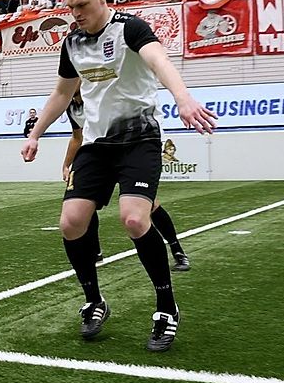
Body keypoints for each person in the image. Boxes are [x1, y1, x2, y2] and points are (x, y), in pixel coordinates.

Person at [21, 0, 216, 352]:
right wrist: (35, 134)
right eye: (70, 7)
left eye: (82, 5)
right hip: (95, 145)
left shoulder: (129, 28)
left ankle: (166, 307)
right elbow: (62, 93)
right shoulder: (72, 43)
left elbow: (159, 60)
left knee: (134, 218)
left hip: (139, 139)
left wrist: (183, 97)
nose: (75, 13)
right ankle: (94, 301)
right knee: (71, 222)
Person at [62, 91, 191, 270]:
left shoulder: (100, 93)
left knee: (149, 205)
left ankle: (177, 250)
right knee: (83, 203)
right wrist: (67, 164)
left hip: (127, 151)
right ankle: (95, 251)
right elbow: (77, 137)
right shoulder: (72, 106)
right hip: (96, 155)